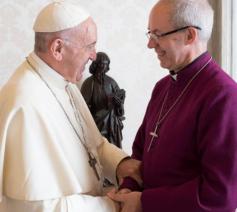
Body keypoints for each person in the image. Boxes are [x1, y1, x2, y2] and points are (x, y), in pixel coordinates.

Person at [0, 2, 141, 212]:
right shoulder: (23, 103)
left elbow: (94, 145)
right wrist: (110, 206)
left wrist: (121, 164)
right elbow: (33, 206)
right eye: (89, 46)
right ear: (58, 48)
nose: (94, 55)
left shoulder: (64, 82)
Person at [108, 0, 237, 211]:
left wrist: (144, 202)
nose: (150, 44)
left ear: (190, 35)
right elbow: (140, 153)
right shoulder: (163, 87)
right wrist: (128, 188)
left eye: (158, 35)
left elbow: (220, 195)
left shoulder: (224, 97)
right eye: (149, 34)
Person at [81, 52, 125, 149]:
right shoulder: (89, 83)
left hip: (112, 123)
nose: (104, 67)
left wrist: (119, 104)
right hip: (97, 122)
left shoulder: (111, 82)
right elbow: (83, 107)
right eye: (102, 64)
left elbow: (120, 107)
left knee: (113, 152)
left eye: (106, 64)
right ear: (95, 64)